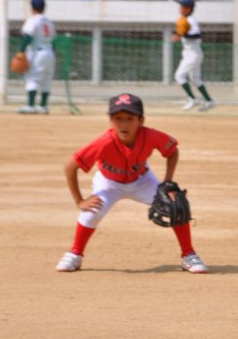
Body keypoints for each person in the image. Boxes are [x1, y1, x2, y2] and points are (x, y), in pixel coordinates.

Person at [55, 93, 209, 274]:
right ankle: (75, 253)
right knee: (91, 212)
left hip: (142, 180)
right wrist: (79, 201)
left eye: (130, 118)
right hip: (109, 183)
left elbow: (172, 151)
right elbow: (70, 166)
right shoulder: (103, 142)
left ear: (141, 120)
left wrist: (167, 181)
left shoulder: (151, 135)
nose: (124, 124)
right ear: (111, 120)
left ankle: (189, 254)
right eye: (118, 118)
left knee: (175, 205)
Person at [173, 0, 215, 112]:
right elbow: (185, 32)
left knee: (179, 76)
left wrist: (182, 34)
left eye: (182, 6)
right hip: (191, 53)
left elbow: (197, 35)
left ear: (188, 8)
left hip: (192, 54)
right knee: (195, 79)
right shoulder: (185, 19)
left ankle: (192, 99)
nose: (180, 8)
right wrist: (177, 33)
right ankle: (209, 100)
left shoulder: (191, 20)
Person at [16, 0, 55, 114]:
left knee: (32, 78)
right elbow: (53, 40)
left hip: (37, 52)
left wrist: (21, 51)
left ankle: (31, 105)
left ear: (32, 8)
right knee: (46, 79)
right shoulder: (49, 21)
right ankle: (43, 106)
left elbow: (28, 36)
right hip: (49, 52)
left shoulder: (33, 20)